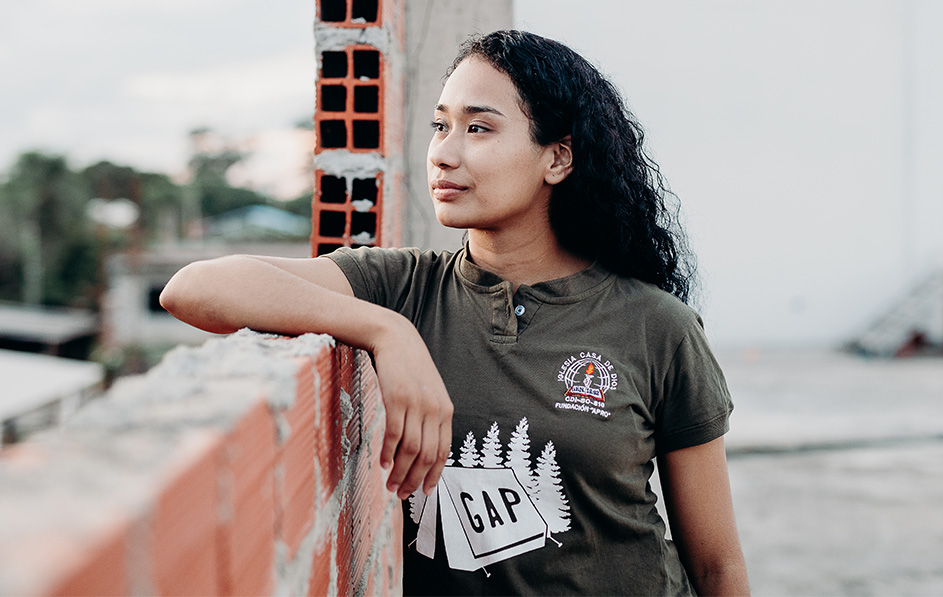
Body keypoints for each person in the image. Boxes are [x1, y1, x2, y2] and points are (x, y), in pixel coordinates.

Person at [161, 29, 749, 596]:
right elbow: (194, 288)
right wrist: (385, 329)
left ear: (557, 159)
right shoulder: (403, 288)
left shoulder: (656, 326)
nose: (443, 153)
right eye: (441, 125)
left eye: (478, 128)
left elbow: (716, 565)